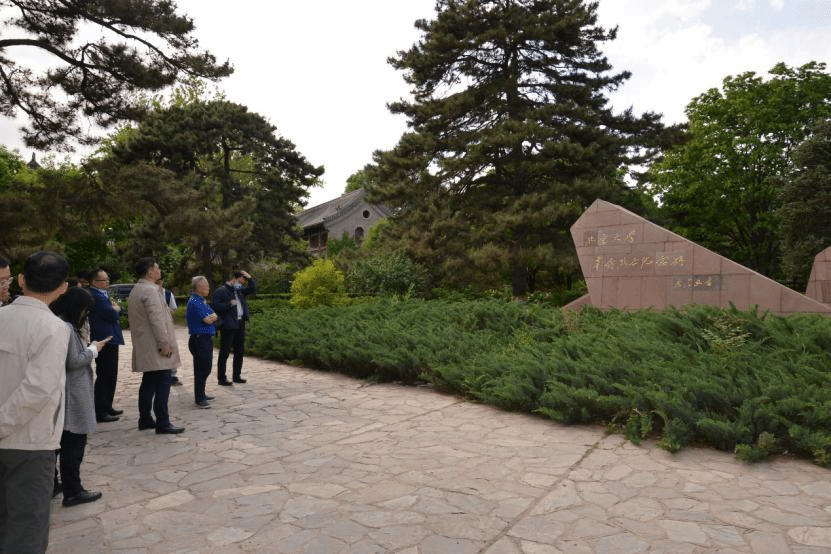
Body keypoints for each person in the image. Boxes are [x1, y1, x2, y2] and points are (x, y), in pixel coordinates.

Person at [0, 251, 70, 553]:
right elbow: (38, 390)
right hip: (30, 444)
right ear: (63, 287)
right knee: (25, 532)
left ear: (20, 279)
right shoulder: (53, 327)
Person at [50, 288, 110, 507]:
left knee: (62, 444)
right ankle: (73, 490)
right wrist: (93, 349)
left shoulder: (60, 323)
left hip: (67, 391)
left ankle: (56, 484)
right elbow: (73, 360)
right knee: (73, 444)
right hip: (72, 393)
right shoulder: (66, 327)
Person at [127, 257, 184, 434]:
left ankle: (145, 418)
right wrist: (164, 344)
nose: (159, 271)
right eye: (157, 268)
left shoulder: (137, 289)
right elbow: (157, 320)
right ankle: (163, 422)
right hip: (156, 346)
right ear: (150, 271)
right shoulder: (150, 290)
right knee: (162, 384)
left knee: (149, 382)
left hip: (146, 345)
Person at [88, 268, 125, 423]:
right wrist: (116, 309)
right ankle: (100, 410)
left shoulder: (104, 294)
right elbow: (111, 314)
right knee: (105, 375)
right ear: (94, 282)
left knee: (111, 375)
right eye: (103, 280)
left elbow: (116, 311)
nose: (107, 282)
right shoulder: (96, 296)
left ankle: (107, 405)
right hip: (104, 340)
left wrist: (116, 309)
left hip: (110, 338)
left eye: (107, 279)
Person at [212, 270, 256, 385]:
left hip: (240, 323)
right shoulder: (221, 291)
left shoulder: (239, 290)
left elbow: (252, 289)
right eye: (241, 280)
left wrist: (250, 278)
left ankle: (237, 376)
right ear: (235, 279)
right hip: (228, 325)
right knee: (225, 352)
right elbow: (215, 305)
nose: (242, 283)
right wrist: (228, 304)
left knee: (239, 351)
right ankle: (222, 378)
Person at [186, 276, 218, 408]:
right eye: (207, 286)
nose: (209, 288)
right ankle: (199, 398)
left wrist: (213, 316)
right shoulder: (195, 302)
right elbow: (208, 319)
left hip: (205, 338)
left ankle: (202, 393)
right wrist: (213, 317)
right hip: (199, 339)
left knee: (206, 367)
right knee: (202, 369)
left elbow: (213, 315)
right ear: (199, 287)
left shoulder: (201, 301)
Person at [157, 271, 182, 386]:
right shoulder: (149, 293)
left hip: (167, 326)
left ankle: (172, 375)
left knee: (171, 349)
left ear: (162, 281)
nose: (158, 283)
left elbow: (173, 309)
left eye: (159, 281)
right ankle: (160, 374)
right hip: (155, 327)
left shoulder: (167, 294)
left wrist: (166, 310)